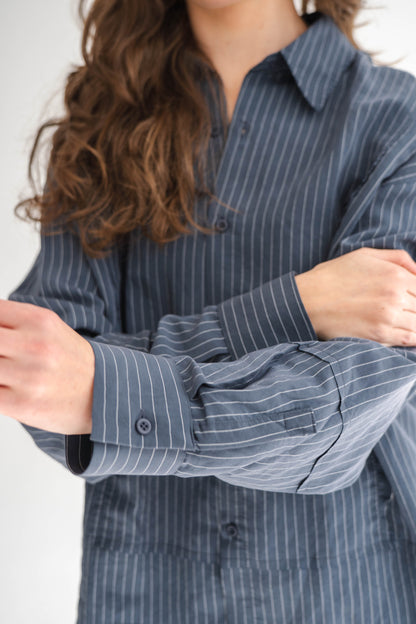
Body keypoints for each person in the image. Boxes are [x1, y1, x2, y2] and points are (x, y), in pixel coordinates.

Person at [3, 0, 416, 621]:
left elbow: (342, 413)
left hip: (342, 592)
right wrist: (298, 306)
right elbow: (37, 383)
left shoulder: (398, 119)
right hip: (147, 592)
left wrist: (102, 386)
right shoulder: (100, 122)